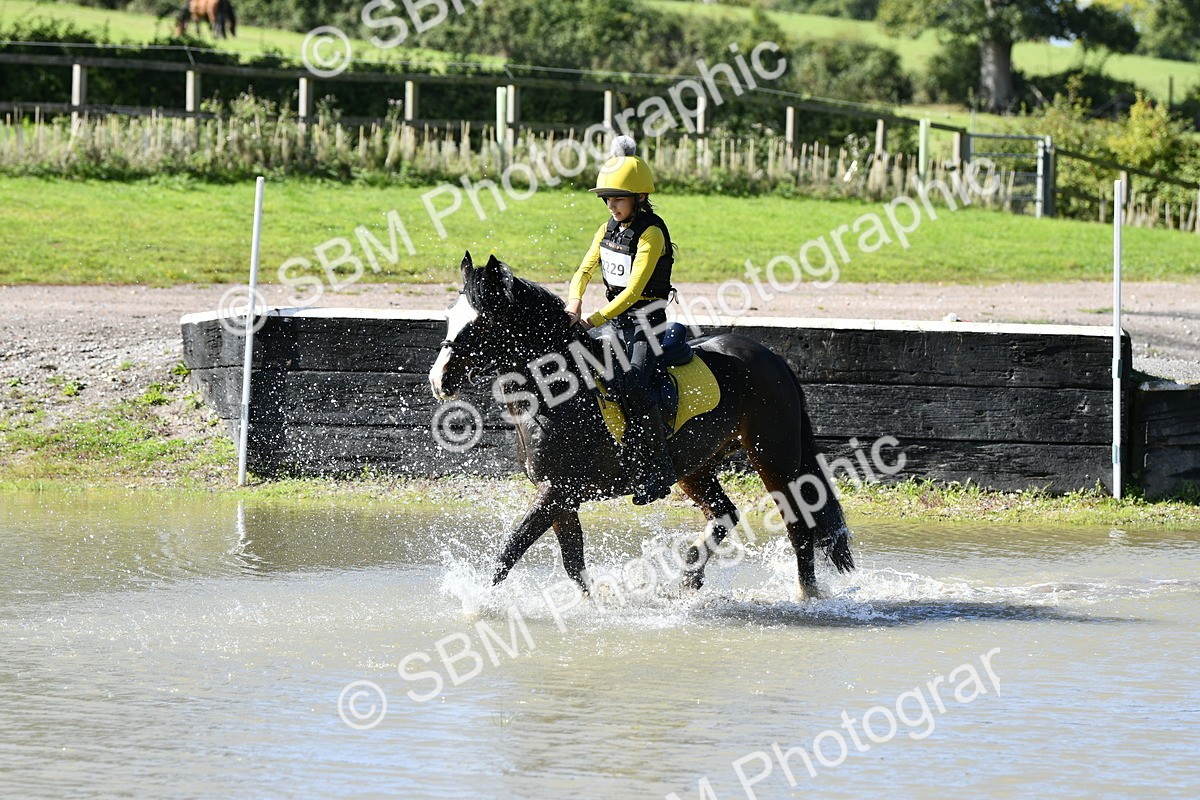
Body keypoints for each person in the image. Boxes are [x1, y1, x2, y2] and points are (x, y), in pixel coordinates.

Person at [566, 136, 677, 505]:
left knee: (634, 386)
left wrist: (593, 318)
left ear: (640, 198)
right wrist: (574, 302)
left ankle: (661, 468)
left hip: (648, 322)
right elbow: (584, 269)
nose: (611, 206)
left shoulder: (652, 233)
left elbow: (631, 292)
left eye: (618, 198)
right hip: (614, 322)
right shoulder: (607, 230)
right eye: (607, 199)